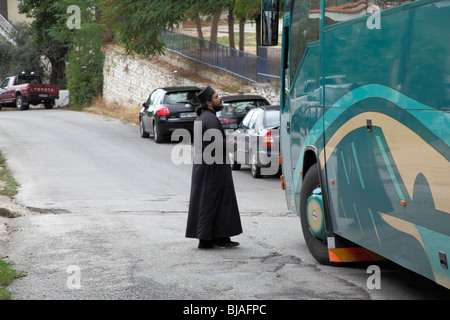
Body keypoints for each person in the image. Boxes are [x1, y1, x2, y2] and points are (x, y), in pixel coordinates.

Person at [186, 85, 242, 249]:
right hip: (212, 168)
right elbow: (215, 143)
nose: (220, 99)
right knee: (209, 201)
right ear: (209, 102)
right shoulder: (209, 119)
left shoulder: (203, 117)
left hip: (206, 166)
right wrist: (231, 146)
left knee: (219, 201)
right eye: (217, 97)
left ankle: (219, 237)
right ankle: (205, 239)